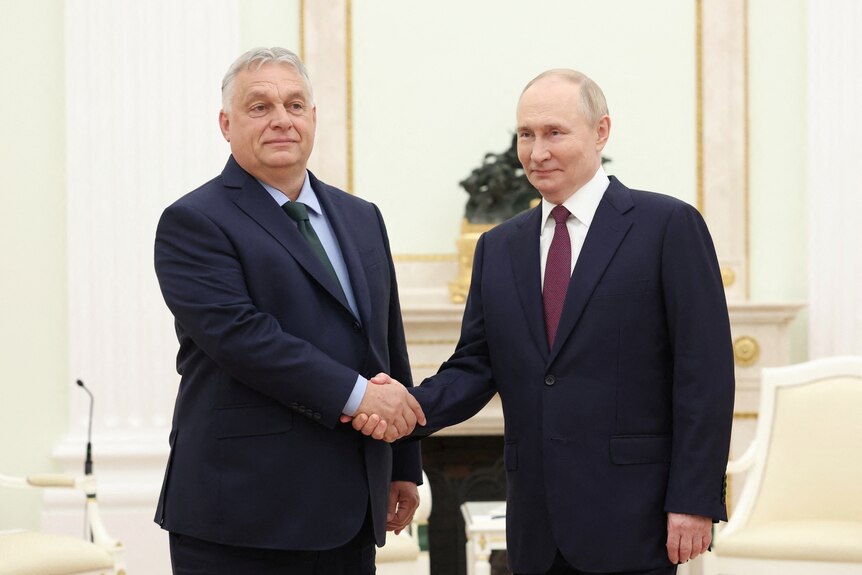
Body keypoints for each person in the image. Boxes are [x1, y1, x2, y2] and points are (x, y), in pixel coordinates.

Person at [349, 69, 735, 575]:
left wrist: (694, 498)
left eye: (554, 132)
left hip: (634, 519)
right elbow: (475, 366)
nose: (536, 152)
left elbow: (704, 375)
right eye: (525, 135)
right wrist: (402, 408)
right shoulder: (498, 247)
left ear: (601, 131)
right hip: (536, 526)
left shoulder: (668, 226)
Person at [153, 47, 425, 575]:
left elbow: (387, 341)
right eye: (260, 107)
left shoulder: (362, 216)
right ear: (226, 124)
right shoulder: (193, 222)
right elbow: (244, 338)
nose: (282, 119)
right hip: (241, 517)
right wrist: (361, 396)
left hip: (350, 509)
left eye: (295, 104)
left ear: (313, 118)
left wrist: (402, 462)